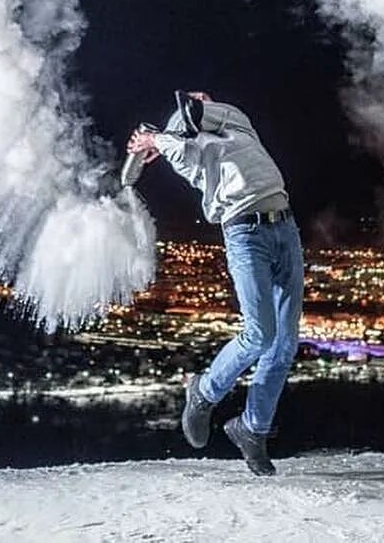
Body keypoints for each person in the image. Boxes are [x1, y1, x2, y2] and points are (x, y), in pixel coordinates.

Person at [127, 91, 304, 476]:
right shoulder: (189, 153)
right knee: (259, 335)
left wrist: (157, 138)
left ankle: (251, 429)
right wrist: (156, 141)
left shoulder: (235, 120)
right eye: (194, 99)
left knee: (284, 344)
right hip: (244, 235)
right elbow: (184, 145)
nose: (202, 96)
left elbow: (196, 118)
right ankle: (203, 392)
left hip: (285, 228)